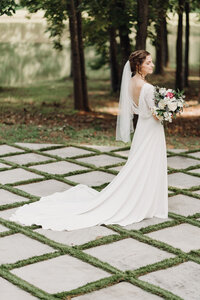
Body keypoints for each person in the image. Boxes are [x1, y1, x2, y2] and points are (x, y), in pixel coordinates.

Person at [10, 50, 168, 231]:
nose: (152, 65)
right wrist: (169, 110)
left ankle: (145, 199)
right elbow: (156, 115)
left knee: (141, 163)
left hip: (142, 130)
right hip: (151, 130)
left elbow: (134, 110)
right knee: (149, 163)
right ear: (139, 65)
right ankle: (148, 202)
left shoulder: (130, 83)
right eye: (148, 62)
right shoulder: (147, 88)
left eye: (151, 62)